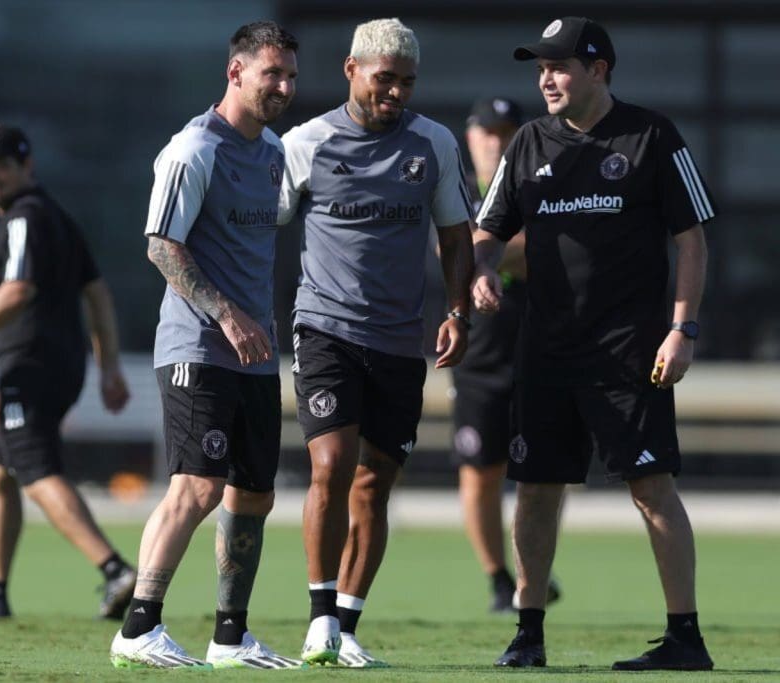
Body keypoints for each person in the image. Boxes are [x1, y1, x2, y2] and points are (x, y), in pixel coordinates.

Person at [472, 17, 715, 670]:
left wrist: (682, 327)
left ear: (598, 69)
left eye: (559, 66)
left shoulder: (652, 135)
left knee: (651, 486)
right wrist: (486, 269)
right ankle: (527, 632)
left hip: (630, 353)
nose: (546, 78)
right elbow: (487, 229)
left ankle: (685, 637)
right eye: (539, 68)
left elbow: (691, 237)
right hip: (545, 352)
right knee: (537, 488)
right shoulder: (526, 142)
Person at [278, 18, 474, 668]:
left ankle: (350, 624)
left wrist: (458, 311)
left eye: (406, 83)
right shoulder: (305, 143)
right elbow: (259, 220)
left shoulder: (434, 144)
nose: (395, 93)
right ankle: (318, 619)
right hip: (325, 329)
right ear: (351, 71)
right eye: (384, 79)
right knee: (330, 467)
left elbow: (454, 235)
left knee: (374, 485)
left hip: (398, 341)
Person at [108, 21, 302, 670]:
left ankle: (230, 636)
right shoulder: (193, 149)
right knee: (196, 485)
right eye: (271, 72)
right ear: (235, 72)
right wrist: (225, 313)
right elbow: (160, 243)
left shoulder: (272, 150)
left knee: (253, 492)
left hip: (256, 351)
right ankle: (138, 626)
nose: (283, 85)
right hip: (198, 343)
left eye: (289, 75)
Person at [0, 123, 136, 622]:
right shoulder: (55, 217)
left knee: (36, 471)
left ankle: (115, 570)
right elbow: (98, 294)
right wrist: (108, 366)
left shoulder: (26, 217)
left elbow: (17, 290)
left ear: (26, 166)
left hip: (33, 363)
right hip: (58, 361)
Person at [451, 97, 562, 613]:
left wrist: (488, 247)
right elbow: (451, 252)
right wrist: (505, 245)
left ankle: (531, 573)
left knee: (544, 471)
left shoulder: (540, 188)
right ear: (470, 139)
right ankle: (497, 576)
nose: (495, 142)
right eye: (486, 133)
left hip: (540, 348)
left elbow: (560, 247)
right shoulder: (456, 192)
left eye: (505, 132)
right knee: (480, 470)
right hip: (479, 359)